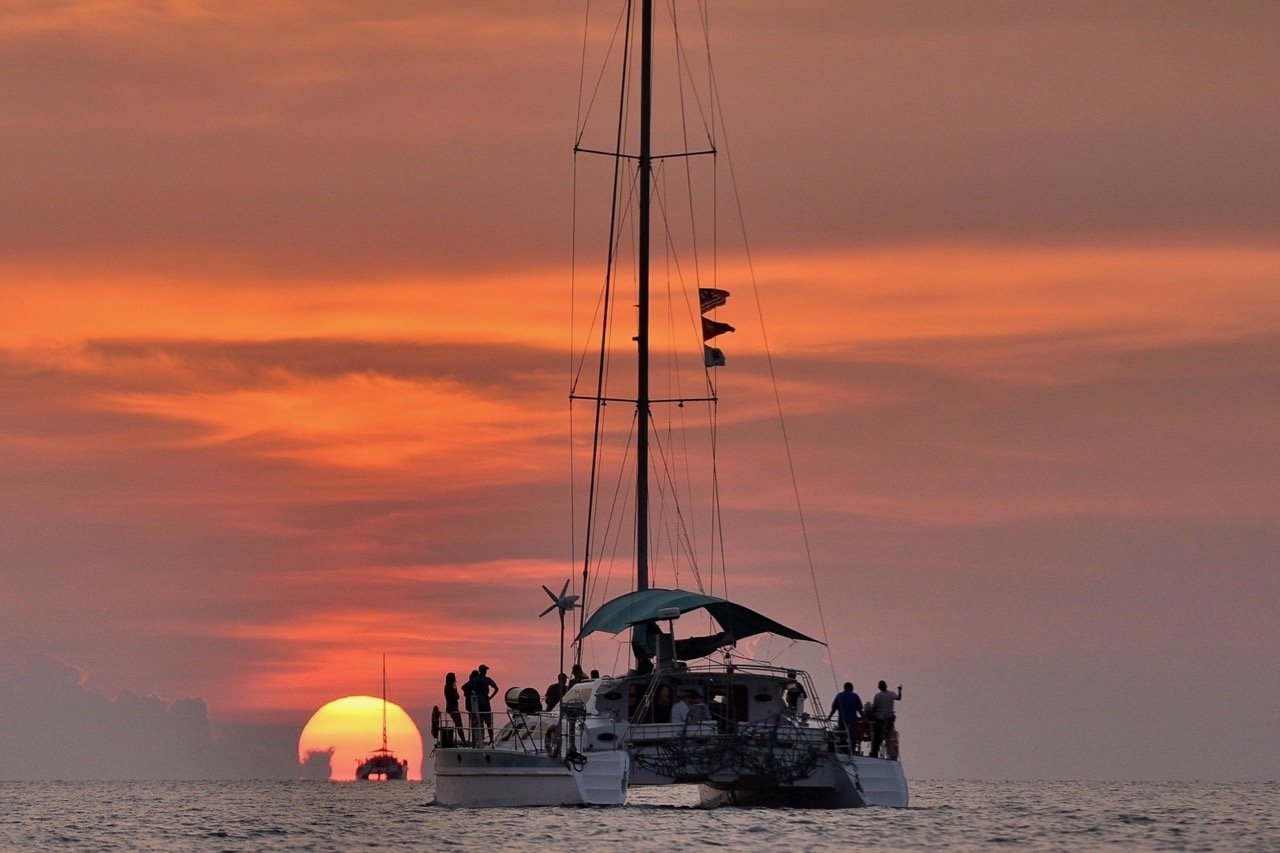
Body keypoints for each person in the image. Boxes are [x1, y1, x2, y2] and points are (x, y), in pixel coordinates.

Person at [870, 680, 903, 759]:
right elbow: (899, 698)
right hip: (889, 719)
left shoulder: (878, 696)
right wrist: (899, 690)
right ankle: (891, 754)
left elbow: (875, 707)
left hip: (880, 719)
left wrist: (871, 713)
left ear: (879, 687)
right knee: (889, 737)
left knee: (877, 736)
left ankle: (874, 753)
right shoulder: (891, 694)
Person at [468, 665, 499, 745]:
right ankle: (491, 739)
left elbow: (466, 687)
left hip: (477, 704)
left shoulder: (474, 680)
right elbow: (496, 688)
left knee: (479, 722)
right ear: (484, 671)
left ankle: (479, 739)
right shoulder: (487, 680)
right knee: (488, 722)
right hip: (485, 703)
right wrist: (490, 697)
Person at [828, 682, 863, 751]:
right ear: (851, 688)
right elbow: (860, 710)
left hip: (842, 721)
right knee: (852, 736)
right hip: (853, 720)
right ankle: (852, 750)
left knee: (842, 736)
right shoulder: (855, 696)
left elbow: (834, 709)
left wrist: (829, 717)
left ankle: (842, 749)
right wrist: (864, 718)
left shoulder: (839, 696)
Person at [443, 672, 467, 746]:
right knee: (459, 724)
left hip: (451, 708)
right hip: (453, 708)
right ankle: (464, 741)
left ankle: (463, 740)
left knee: (459, 724)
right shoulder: (450, 688)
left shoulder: (447, 687)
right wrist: (455, 690)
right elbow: (457, 697)